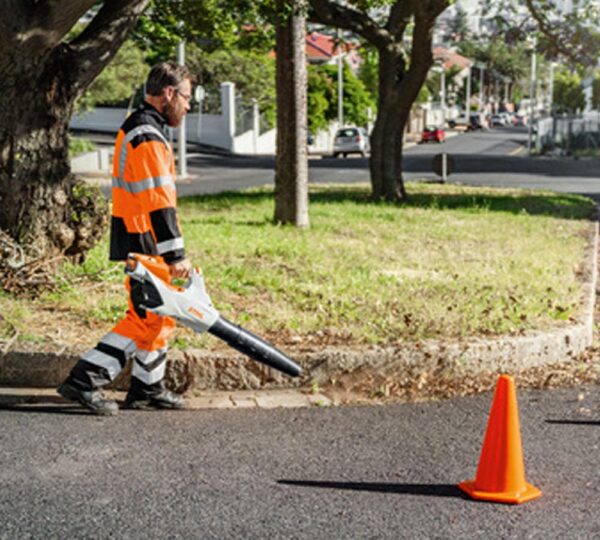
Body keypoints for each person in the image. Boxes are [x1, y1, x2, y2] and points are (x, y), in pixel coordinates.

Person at [57, 62, 194, 415]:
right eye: (187, 97)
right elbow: (157, 199)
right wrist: (176, 254)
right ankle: (84, 380)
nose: (188, 106)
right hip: (145, 238)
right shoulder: (146, 133)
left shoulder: (146, 128)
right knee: (146, 318)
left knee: (159, 315)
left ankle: (148, 388)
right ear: (169, 94)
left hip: (141, 237)